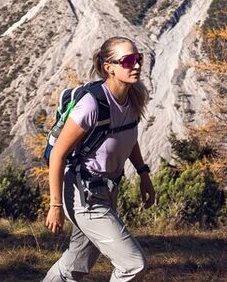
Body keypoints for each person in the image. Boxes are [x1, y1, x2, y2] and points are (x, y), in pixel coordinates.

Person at [42, 36, 156, 281]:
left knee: (77, 262)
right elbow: (58, 155)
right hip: (84, 194)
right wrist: (55, 206)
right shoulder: (92, 105)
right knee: (133, 264)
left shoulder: (134, 96)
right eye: (127, 61)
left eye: (138, 59)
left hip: (107, 189)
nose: (135, 65)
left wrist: (143, 173)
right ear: (109, 67)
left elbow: (127, 135)